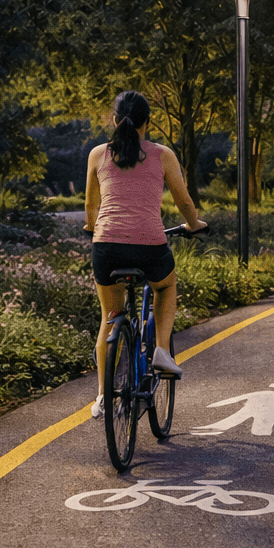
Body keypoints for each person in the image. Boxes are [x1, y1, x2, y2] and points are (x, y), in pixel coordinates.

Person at [85, 90, 207, 417]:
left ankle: (102, 398)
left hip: (106, 247)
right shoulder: (162, 154)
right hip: (149, 247)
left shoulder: (98, 154)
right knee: (165, 286)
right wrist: (193, 223)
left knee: (110, 319)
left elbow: (91, 207)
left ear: (114, 120)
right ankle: (163, 351)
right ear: (147, 123)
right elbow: (183, 201)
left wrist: (91, 228)